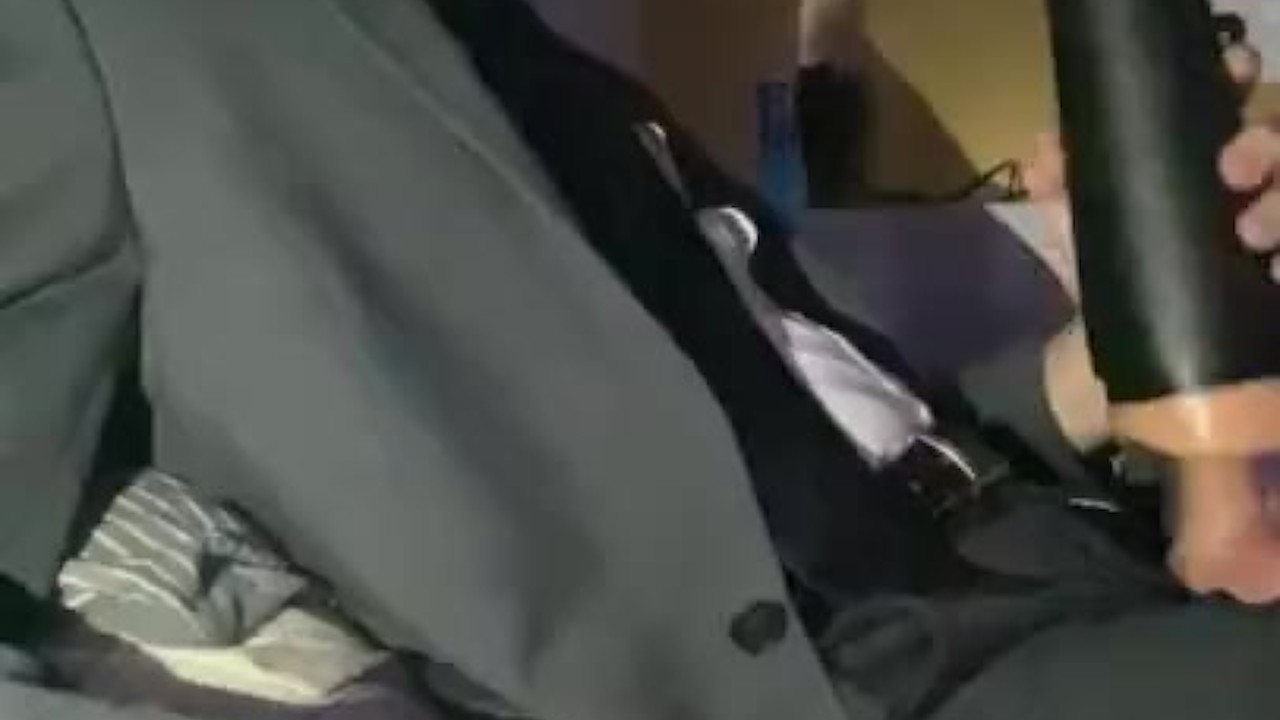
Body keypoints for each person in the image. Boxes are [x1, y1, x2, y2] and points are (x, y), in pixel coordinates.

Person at [0, 1, 1278, 720]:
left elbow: (808, 445)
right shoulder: (100, 32)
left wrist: (1104, 360)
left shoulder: (550, 62)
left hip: (1037, 581)